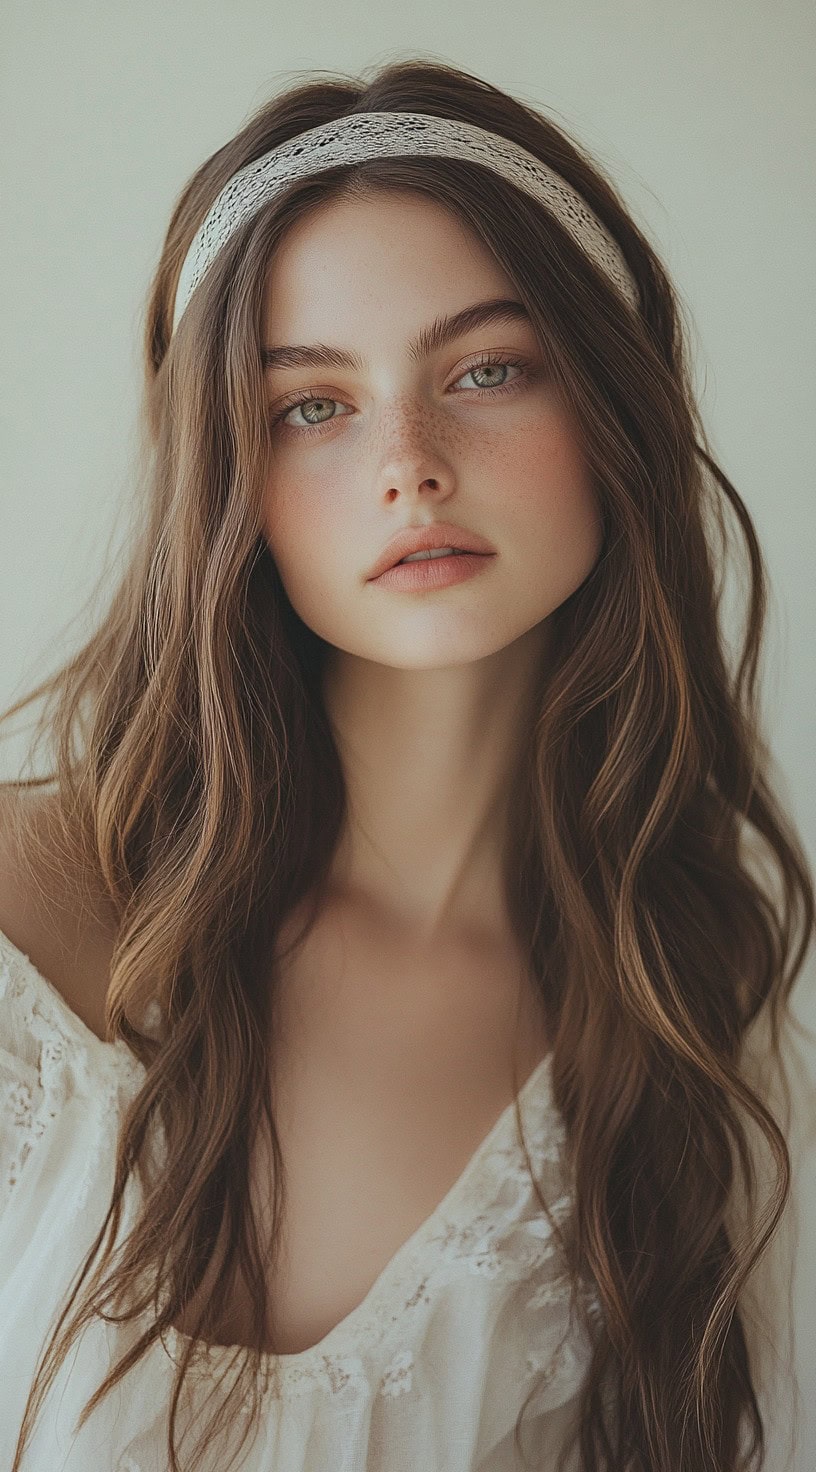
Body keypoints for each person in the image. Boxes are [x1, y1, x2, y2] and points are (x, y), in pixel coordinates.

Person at [0, 57, 812, 1472]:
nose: (411, 464)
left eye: (486, 371)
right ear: (226, 480)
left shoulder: (700, 1062)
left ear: (614, 411)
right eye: (312, 404)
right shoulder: (24, 927)